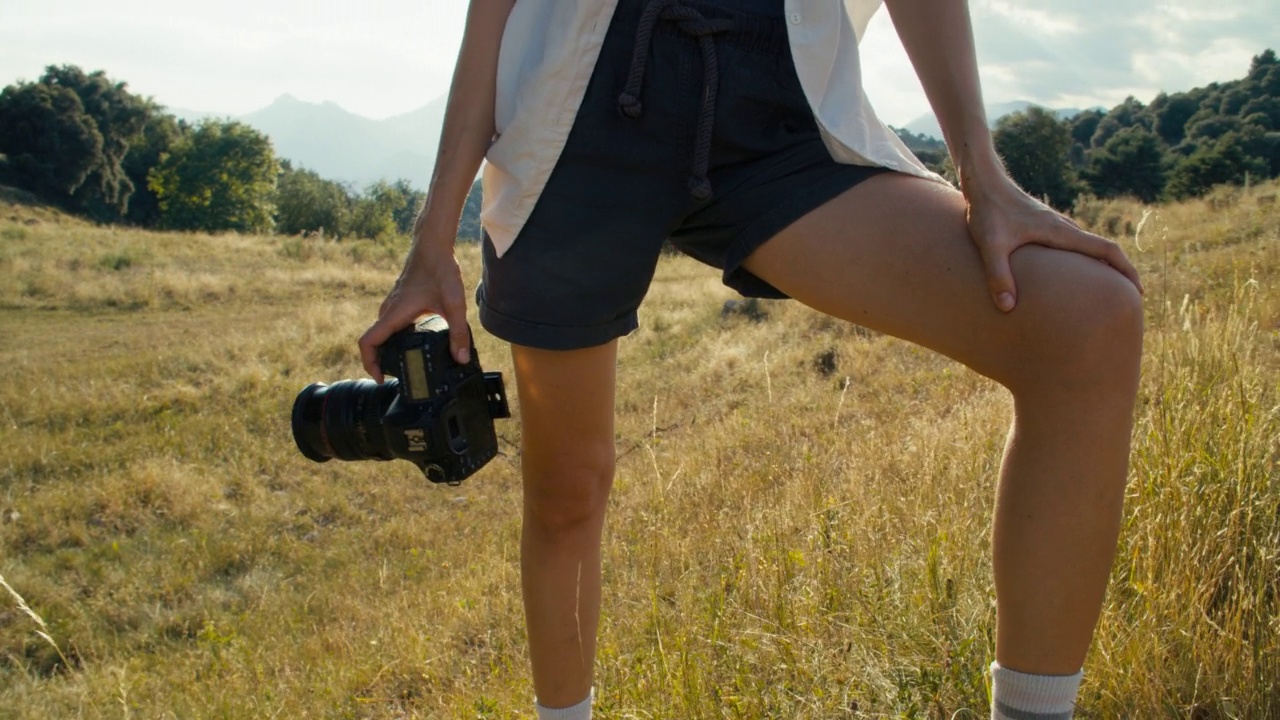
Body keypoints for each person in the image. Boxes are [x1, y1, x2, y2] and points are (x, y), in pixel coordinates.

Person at [359, 0, 1144, 717]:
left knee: (1088, 318)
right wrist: (433, 238)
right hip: (581, 107)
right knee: (566, 490)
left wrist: (983, 170)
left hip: (781, 95)